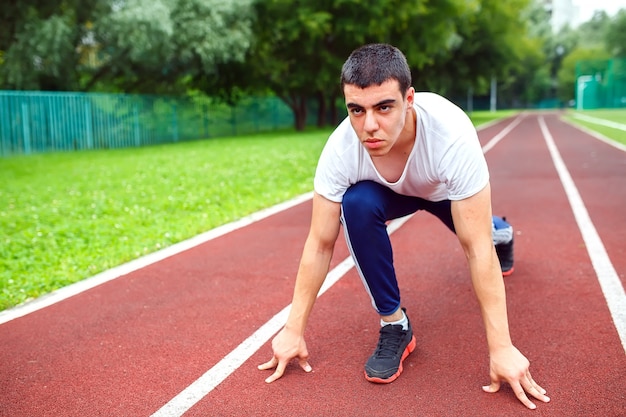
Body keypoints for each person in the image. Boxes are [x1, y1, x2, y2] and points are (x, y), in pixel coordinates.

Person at [258, 43, 549, 410]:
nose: (370, 126)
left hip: (443, 191)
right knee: (357, 204)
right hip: (387, 194)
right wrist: (292, 330)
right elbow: (319, 244)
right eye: (356, 110)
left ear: (409, 99)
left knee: (485, 237)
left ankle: (502, 233)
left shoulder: (452, 135)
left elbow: (475, 249)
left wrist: (502, 348)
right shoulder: (341, 149)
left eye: (384, 107)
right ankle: (394, 324)